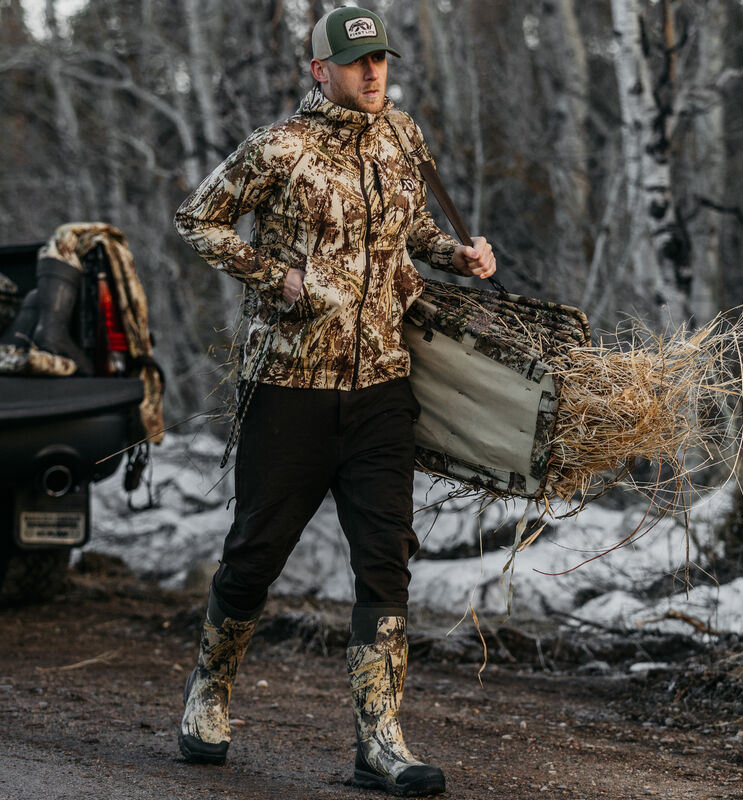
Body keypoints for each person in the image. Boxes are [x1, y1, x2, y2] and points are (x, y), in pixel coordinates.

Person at [174, 6, 496, 797]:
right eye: (356, 63)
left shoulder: (401, 136)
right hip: (289, 388)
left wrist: (459, 252)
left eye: (380, 59)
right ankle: (208, 695)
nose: (373, 72)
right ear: (321, 71)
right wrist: (275, 277)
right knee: (255, 553)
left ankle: (379, 742)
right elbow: (197, 218)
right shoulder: (278, 148)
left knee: (386, 563)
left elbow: (411, 230)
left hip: (383, 386)